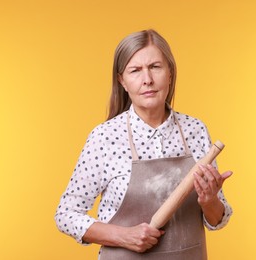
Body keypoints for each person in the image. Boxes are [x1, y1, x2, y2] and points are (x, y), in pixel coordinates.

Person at [55, 29, 233, 259]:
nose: (147, 79)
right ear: (122, 81)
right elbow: (66, 214)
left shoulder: (195, 130)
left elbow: (217, 219)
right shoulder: (105, 137)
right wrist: (123, 236)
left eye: (155, 67)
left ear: (170, 73)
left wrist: (210, 201)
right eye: (135, 70)